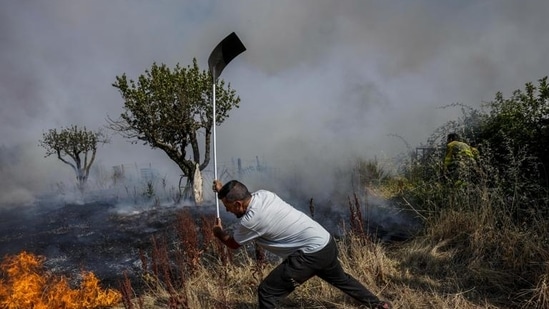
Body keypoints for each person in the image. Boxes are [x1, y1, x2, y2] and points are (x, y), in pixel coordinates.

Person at [212, 179, 392, 309]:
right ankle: (379, 304)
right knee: (341, 279)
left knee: (267, 292)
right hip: (324, 242)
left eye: (228, 206)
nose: (227, 210)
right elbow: (238, 194)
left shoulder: (250, 221)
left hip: (310, 254)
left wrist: (218, 232)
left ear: (238, 203)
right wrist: (222, 191)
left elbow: (233, 244)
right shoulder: (264, 194)